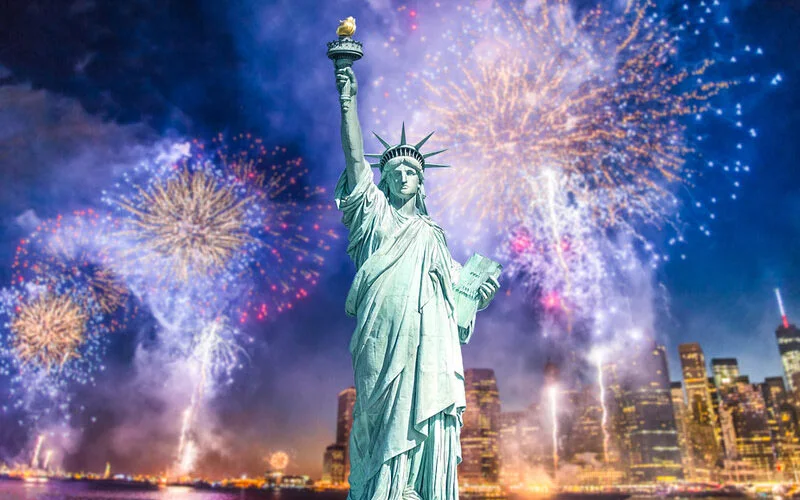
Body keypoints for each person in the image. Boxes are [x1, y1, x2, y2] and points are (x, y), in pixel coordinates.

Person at [334, 65, 499, 500]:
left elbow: (460, 294)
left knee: (423, 414)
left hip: (430, 341)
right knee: (378, 414)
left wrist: (477, 295)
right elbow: (354, 162)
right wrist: (347, 98)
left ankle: (415, 488)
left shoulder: (433, 236)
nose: (403, 175)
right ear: (384, 181)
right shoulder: (374, 217)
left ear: (421, 182)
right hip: (382, 334)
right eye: (395, 171)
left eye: (411, 171)